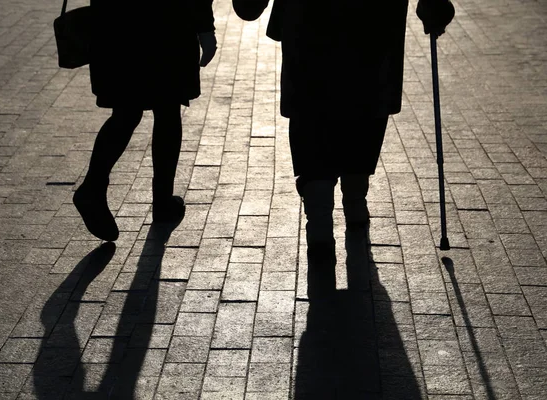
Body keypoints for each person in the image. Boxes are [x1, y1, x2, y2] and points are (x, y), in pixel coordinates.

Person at [233, 0, 455, 296]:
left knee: (312, 115)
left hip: (308, 25)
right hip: (373, 23)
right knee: (365, 105)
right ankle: (354, 196)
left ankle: (321, 219)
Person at [73, 0, 217, 242]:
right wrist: (205, 28)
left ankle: (94, 186)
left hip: (117, 22)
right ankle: (162, 200)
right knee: (168, 108)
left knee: (127, 110)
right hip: (169, 22)